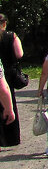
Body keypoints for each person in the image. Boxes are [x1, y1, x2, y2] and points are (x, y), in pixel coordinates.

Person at [0, 13, 23, 147]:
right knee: (9, 102)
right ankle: (11, 138)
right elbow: (19, 54)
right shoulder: (11, 35)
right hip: (8, 72)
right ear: (5, 23)